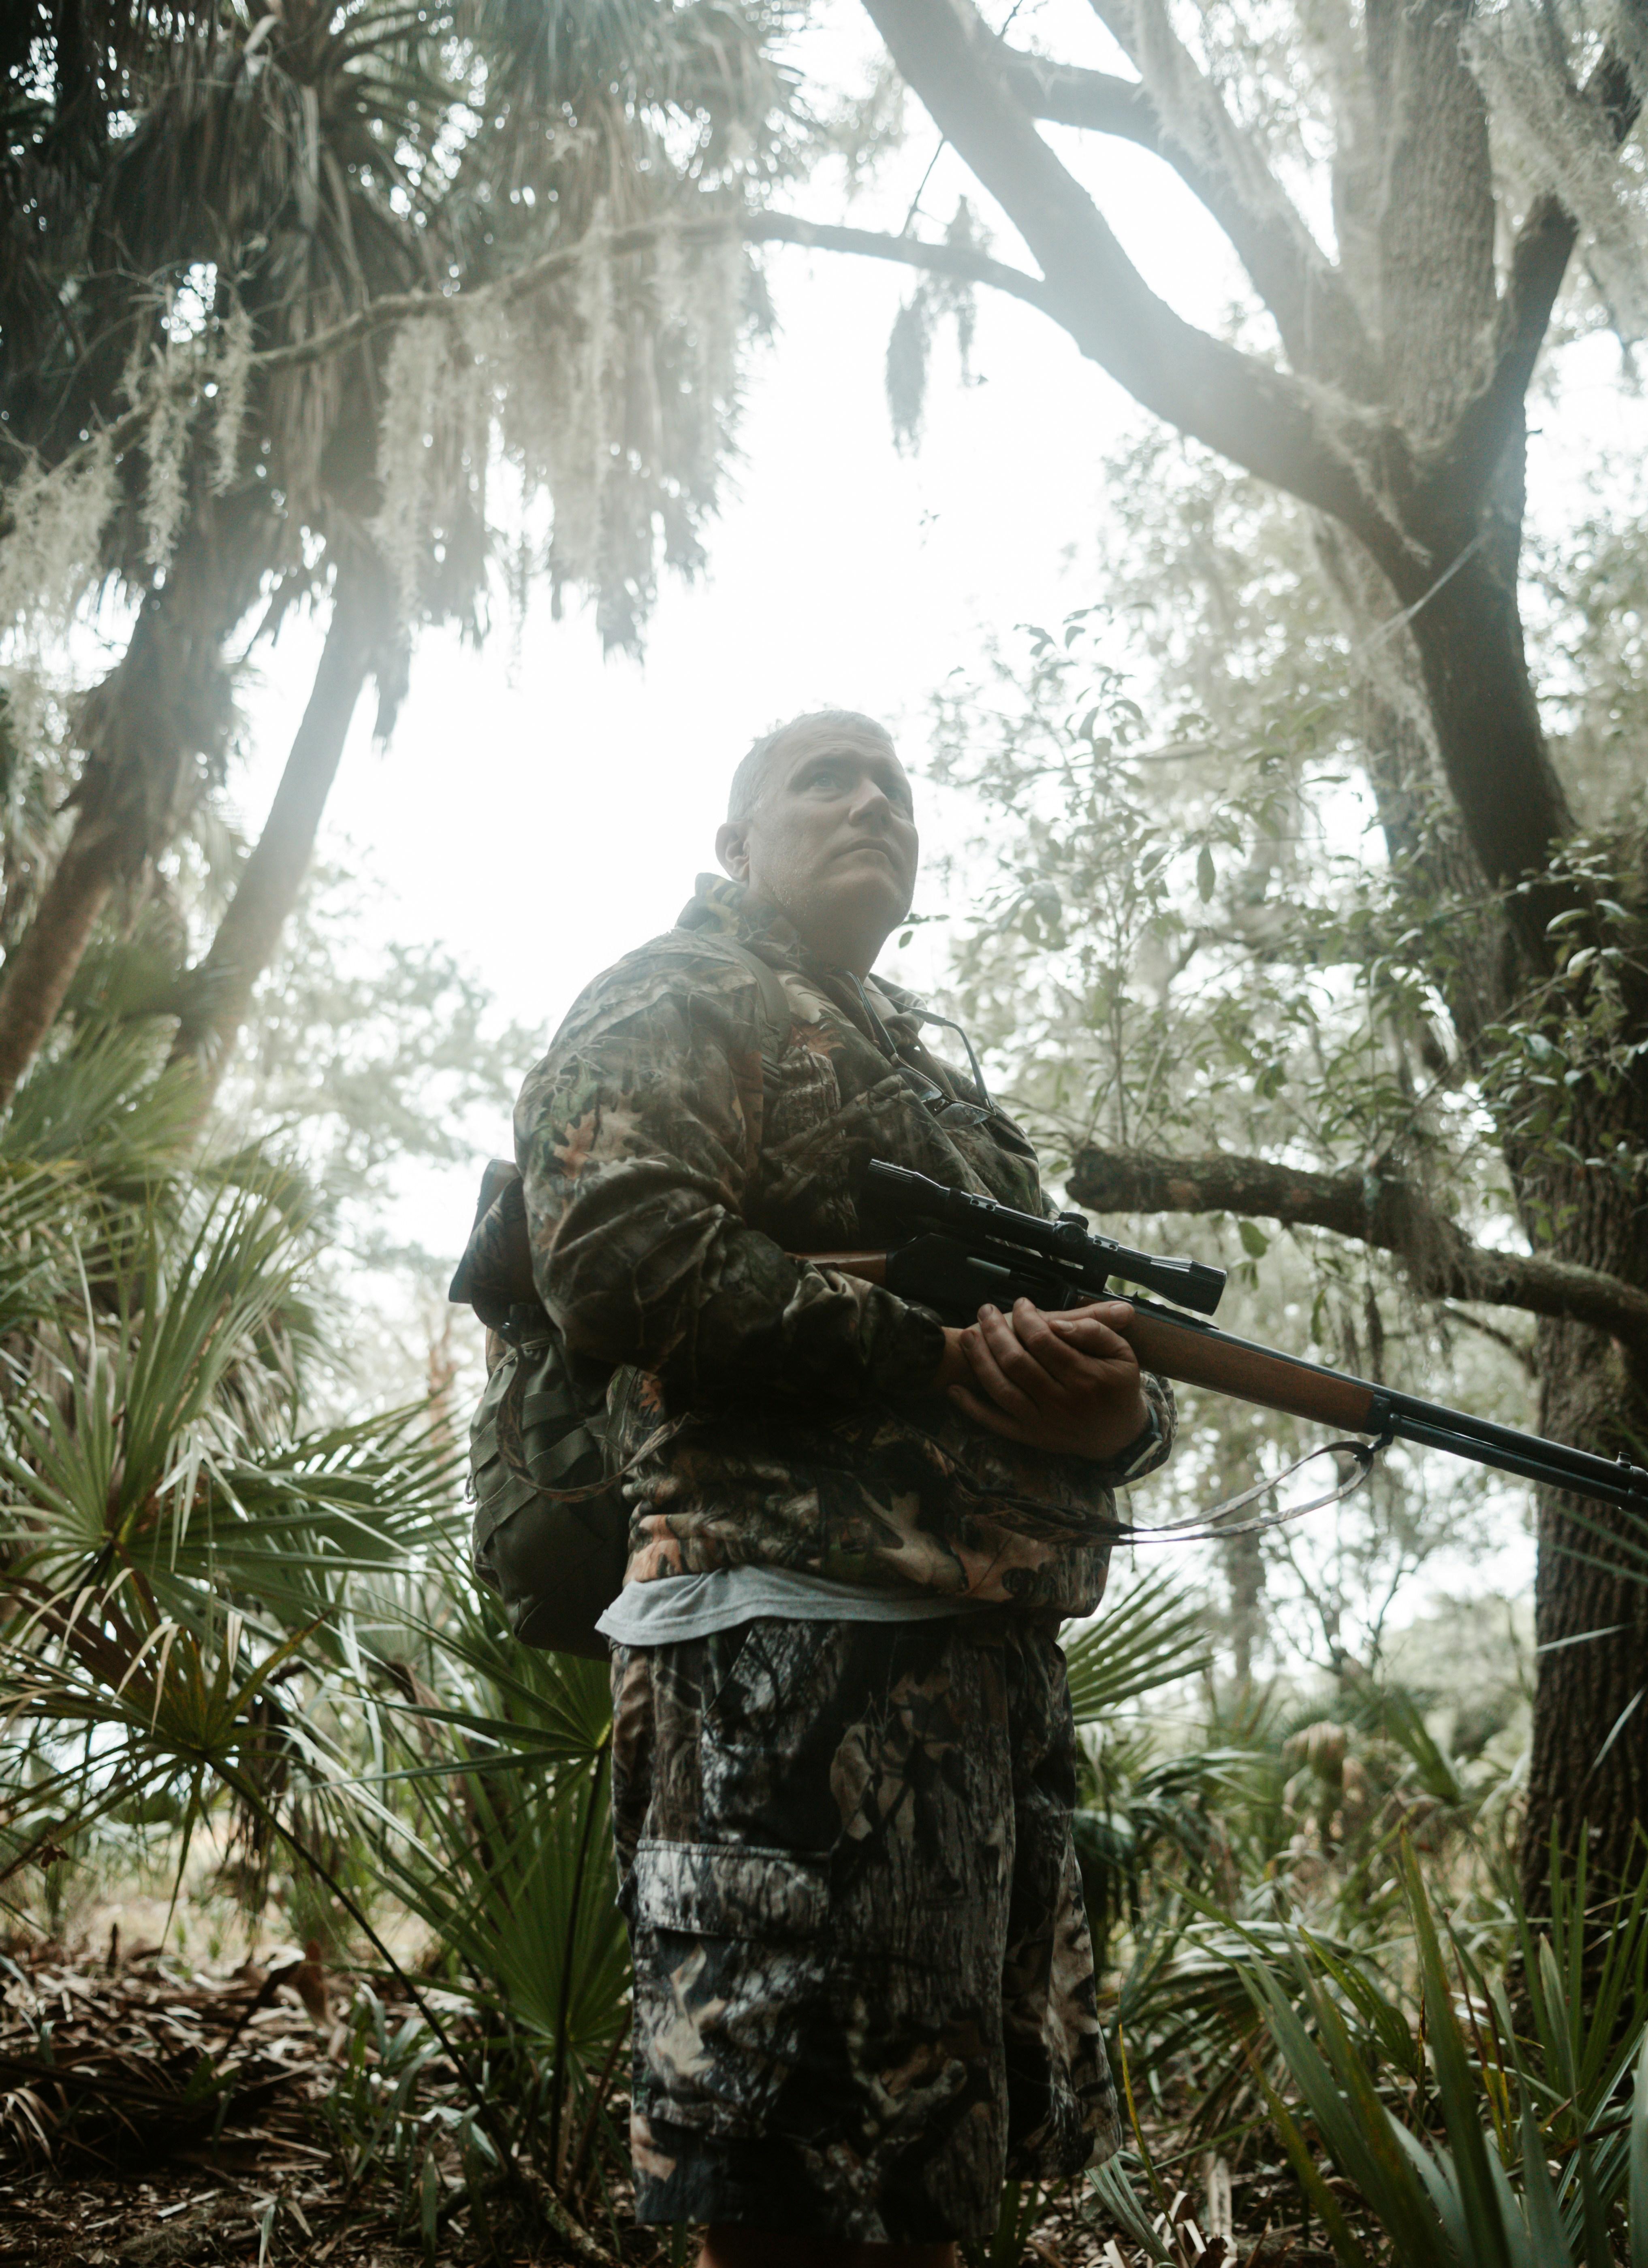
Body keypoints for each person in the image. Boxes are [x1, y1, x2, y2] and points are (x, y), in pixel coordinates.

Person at [513, 710, 1175, 2267]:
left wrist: (1115, 1427)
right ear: (737, 841)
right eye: (826, 779)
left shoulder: (937, 1081)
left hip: (986, 1675)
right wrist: (928, 1351)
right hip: (781, 1664)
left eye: (895, 787)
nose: (872, 800)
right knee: (783, 2188)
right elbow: (613, 1250)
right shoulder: (682, 994)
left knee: (939, 2185)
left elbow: (1083, 1343)